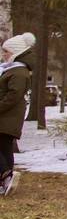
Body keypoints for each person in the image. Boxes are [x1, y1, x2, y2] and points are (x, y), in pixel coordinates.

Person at [0, 33, 36, 196]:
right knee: (5, 148)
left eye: (6, 51)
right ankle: (6, 182)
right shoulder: (14, 70)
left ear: (15, 51)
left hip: (7, 118)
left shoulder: (18, 72)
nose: (4, 54)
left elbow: (13, 96)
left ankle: (5, 176)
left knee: (4, 147)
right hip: (7, 118)